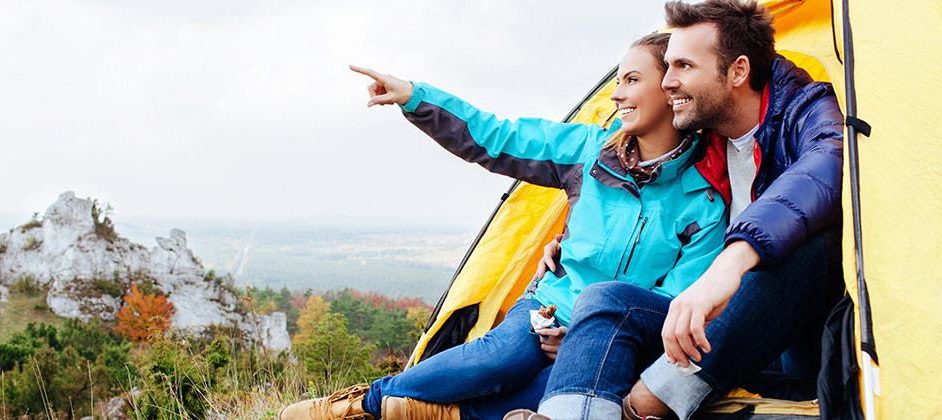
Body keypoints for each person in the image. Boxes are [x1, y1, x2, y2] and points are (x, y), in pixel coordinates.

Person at [278, 33, 729, 420]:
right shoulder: (589, 152)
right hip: (549, 306)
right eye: (617, 80)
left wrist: (585, 335)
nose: (616, 94)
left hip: (610, 334)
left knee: (561, 388)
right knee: (505, 356)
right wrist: (416, 97)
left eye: (632, 80)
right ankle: (364, 404)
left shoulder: (703, 199)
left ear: (671, 87)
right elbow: (501, 138)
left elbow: (673, 304)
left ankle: (437, 413)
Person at [519, 1, 845, 419]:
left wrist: (729, 266)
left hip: (784, 330)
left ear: (738, 72)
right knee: (605, 301)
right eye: (667, 66)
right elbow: (641, 207)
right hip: (699, 327)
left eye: (684, 67)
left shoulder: (805, 109)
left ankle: (642, 406)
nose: (667, 83)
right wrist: (570, 242)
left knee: (815, 242)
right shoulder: (699, 134)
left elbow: (828, 166)